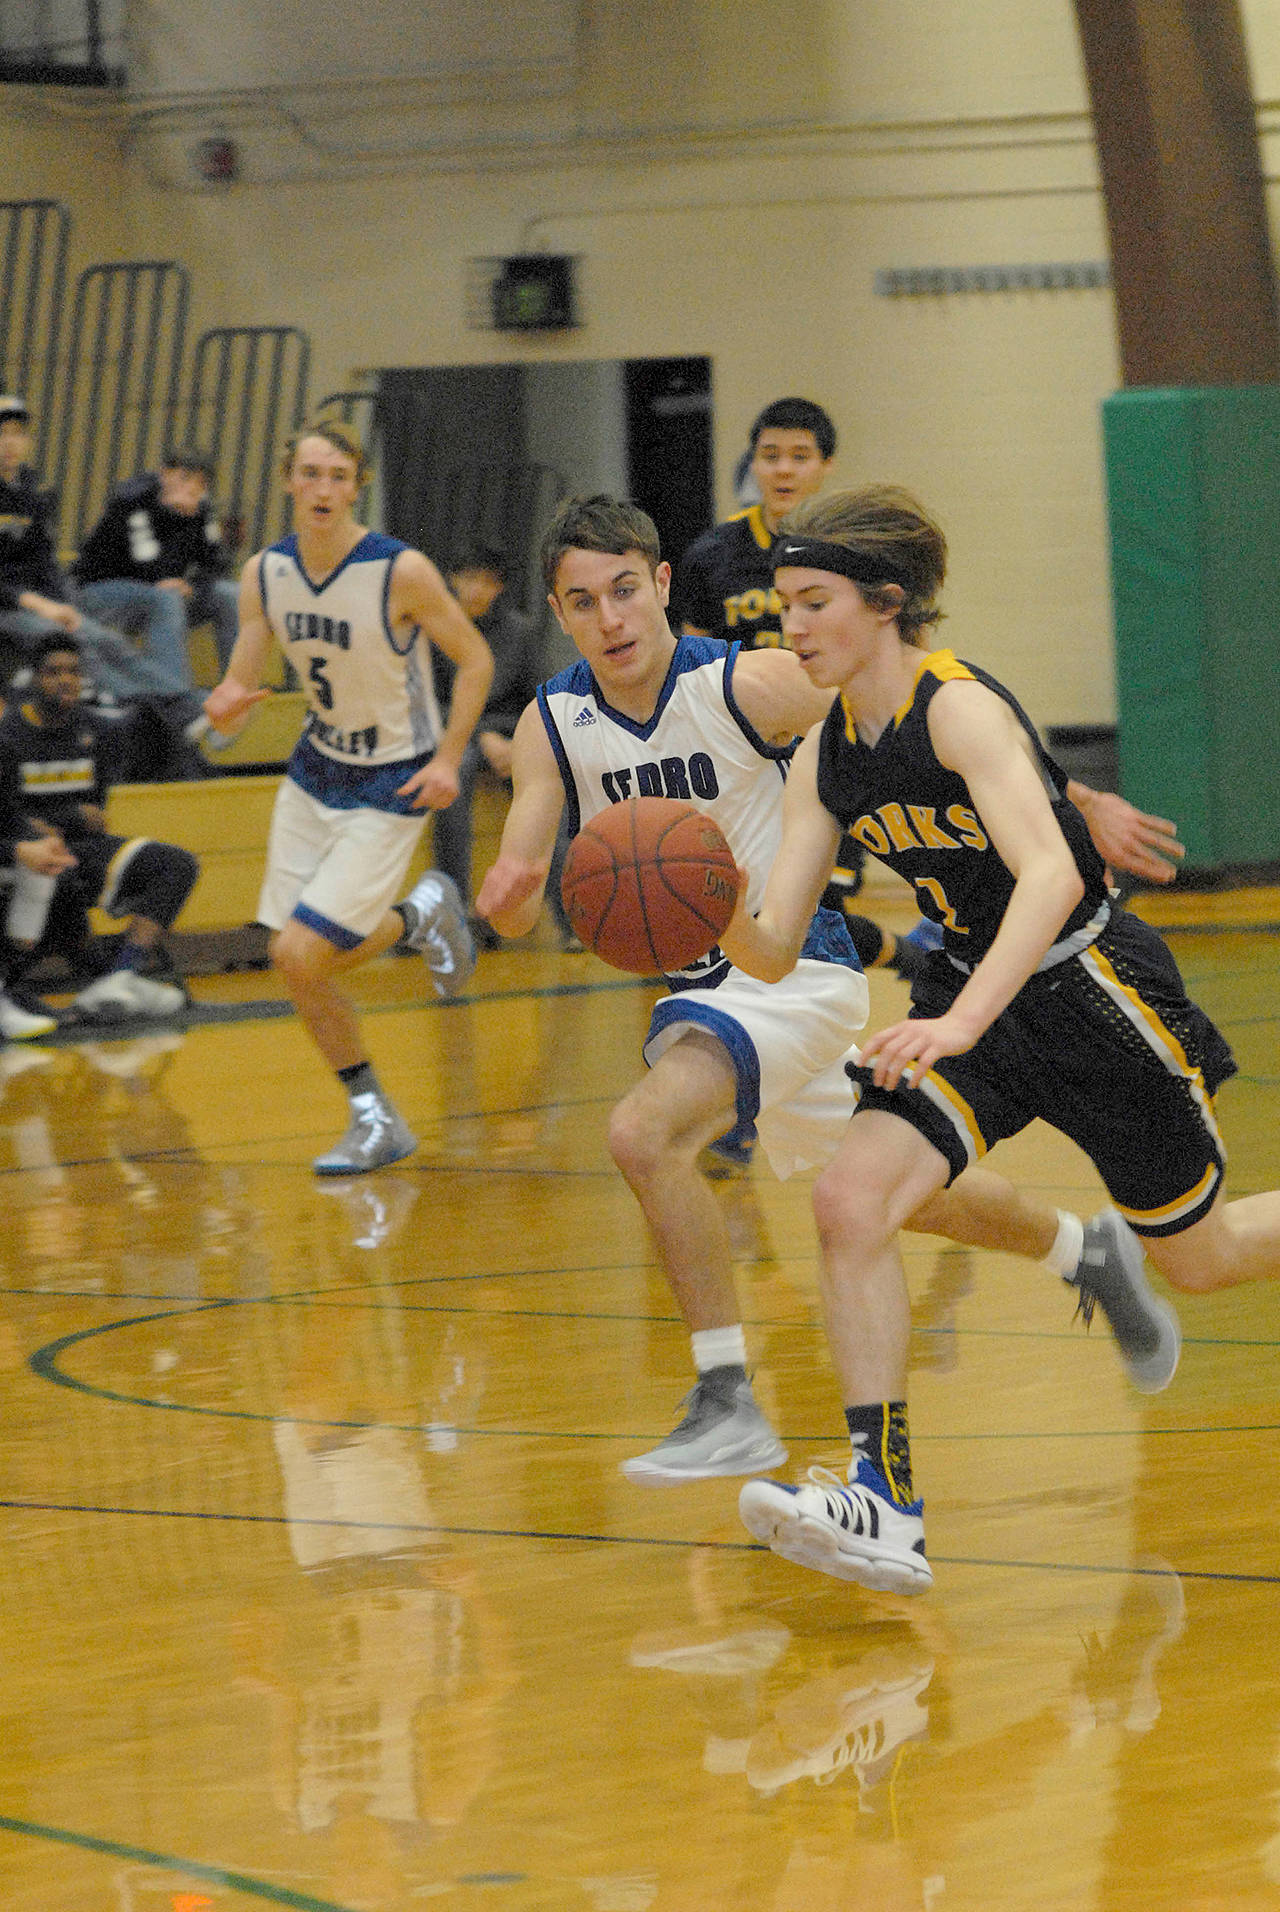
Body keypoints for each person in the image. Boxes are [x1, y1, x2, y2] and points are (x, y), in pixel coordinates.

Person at [475, 494, 1183, 1487]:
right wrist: (506, 896)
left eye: (626, 590)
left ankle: (725, 1398)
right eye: (583, 601)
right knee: (896, 1197)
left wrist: (1074, 796)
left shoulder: (747, 682)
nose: (611, 618)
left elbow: (926, 722)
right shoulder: (553, 725)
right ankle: (1083, 1251)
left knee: (642, 1132)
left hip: (790, 962)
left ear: (663, 585)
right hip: (712, 977)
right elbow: (513, 896)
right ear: (559, 613)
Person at [723, 483, 1280, 1595]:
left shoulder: (956, 706)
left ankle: (1116, 1254)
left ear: (882, 602)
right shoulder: (822, 754)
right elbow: (775, 945)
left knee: (1203, 1258)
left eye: (812, 601)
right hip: (970, 991)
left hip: (1088, 992)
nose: (791, 625)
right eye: (782, 604)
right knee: (848, 1200)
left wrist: (957, 1019)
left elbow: (1057, 871)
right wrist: (698, 907)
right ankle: (882, 1501)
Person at [203, 419, 494, 1176]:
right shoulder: (265, 571)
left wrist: (452, 758)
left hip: (392, 776)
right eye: (310, 474)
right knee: (293, 959)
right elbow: (248, 659)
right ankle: (418, 919)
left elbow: (475, 661)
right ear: (289, 481)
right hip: (313, 771)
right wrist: (230, 699)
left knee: (302, 952)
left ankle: (375, 1113)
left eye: (338, 475)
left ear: (356, 484)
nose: (324, 488)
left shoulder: (401, 571)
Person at [0, 395, 212, 758]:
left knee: (110, 642)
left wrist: (64, 604)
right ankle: (152, 713)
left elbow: (45, 562)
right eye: (2, 433)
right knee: (72, 641)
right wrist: (40, 605)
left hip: (41, 604)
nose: (10, 442)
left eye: (17, 433)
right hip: (11, 607)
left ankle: (186, 708)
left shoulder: (32, 491)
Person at [0, 635, 199, 1019]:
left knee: (177, 865)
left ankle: (121, 974)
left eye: (73, 672)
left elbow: (96, 816)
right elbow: (14, 816)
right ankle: (18, 986)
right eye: (53, 672)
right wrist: (65, 818)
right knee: (56, 878)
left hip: (81, 849)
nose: (65, 680)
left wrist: (61, 820)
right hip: (25, 854)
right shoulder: (9, 734)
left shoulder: (100, 732)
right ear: (33, 680)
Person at [431, 543, 572, 947]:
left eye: (487, 582)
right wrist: (480, 735)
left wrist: (512, 741)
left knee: (545, 790)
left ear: (500, 589)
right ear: (452, 579)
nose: (476, 589)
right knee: (455, 774)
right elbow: (426, 705)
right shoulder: (435, 626)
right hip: (451, 736)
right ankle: (455, 914)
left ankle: (568, 920)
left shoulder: (520, 631)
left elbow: (540, 698)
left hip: (511, 734)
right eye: (468, 578)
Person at [74, 443, 241, 688]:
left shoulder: (201, 508)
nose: (192, 488)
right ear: (164, 474)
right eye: (184, 478)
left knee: (229, 594)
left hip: (159, 594)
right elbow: (146, 564)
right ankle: (176, 701)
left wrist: (193, 586)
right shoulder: (132, 499)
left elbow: (216, 564)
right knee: (166, 599)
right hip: (101, 592)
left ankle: (237, 690)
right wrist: (170, 514)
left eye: (200, 483)